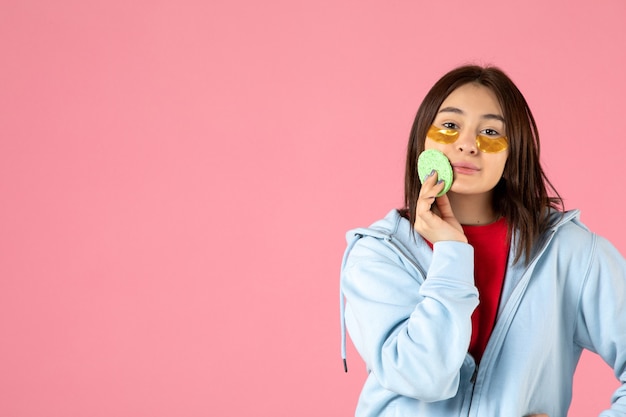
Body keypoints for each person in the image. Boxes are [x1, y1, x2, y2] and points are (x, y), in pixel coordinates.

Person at [339, 65, 626, 416]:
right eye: (449, 126)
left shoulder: (571, 253)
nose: (467, 144)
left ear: (513, 152)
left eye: (490, 131)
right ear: (422, 141)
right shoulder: (378, 254)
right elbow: (421, 377)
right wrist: (452, 254)